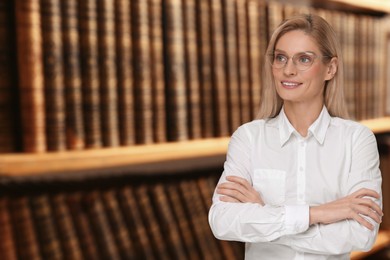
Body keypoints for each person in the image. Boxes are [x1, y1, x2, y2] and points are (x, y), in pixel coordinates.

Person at [208, 13, 383, 260]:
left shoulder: (356, 140)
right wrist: (318, 214)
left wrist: (266, 215)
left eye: (304, 59)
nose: (288, 70)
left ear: (330, 68)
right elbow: (222, 222)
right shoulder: (248, 138)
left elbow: (362, 234)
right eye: (281, 58)